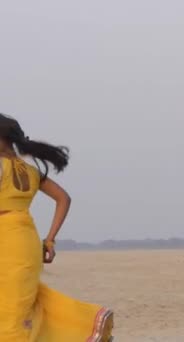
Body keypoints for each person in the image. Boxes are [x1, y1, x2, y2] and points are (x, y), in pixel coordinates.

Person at [0, 113, 114, 341]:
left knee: (9, 312)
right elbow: (64, 198)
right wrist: (49, 240)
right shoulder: (32, 170)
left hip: (6, 241)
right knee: (22, 303)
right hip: (25, 239)